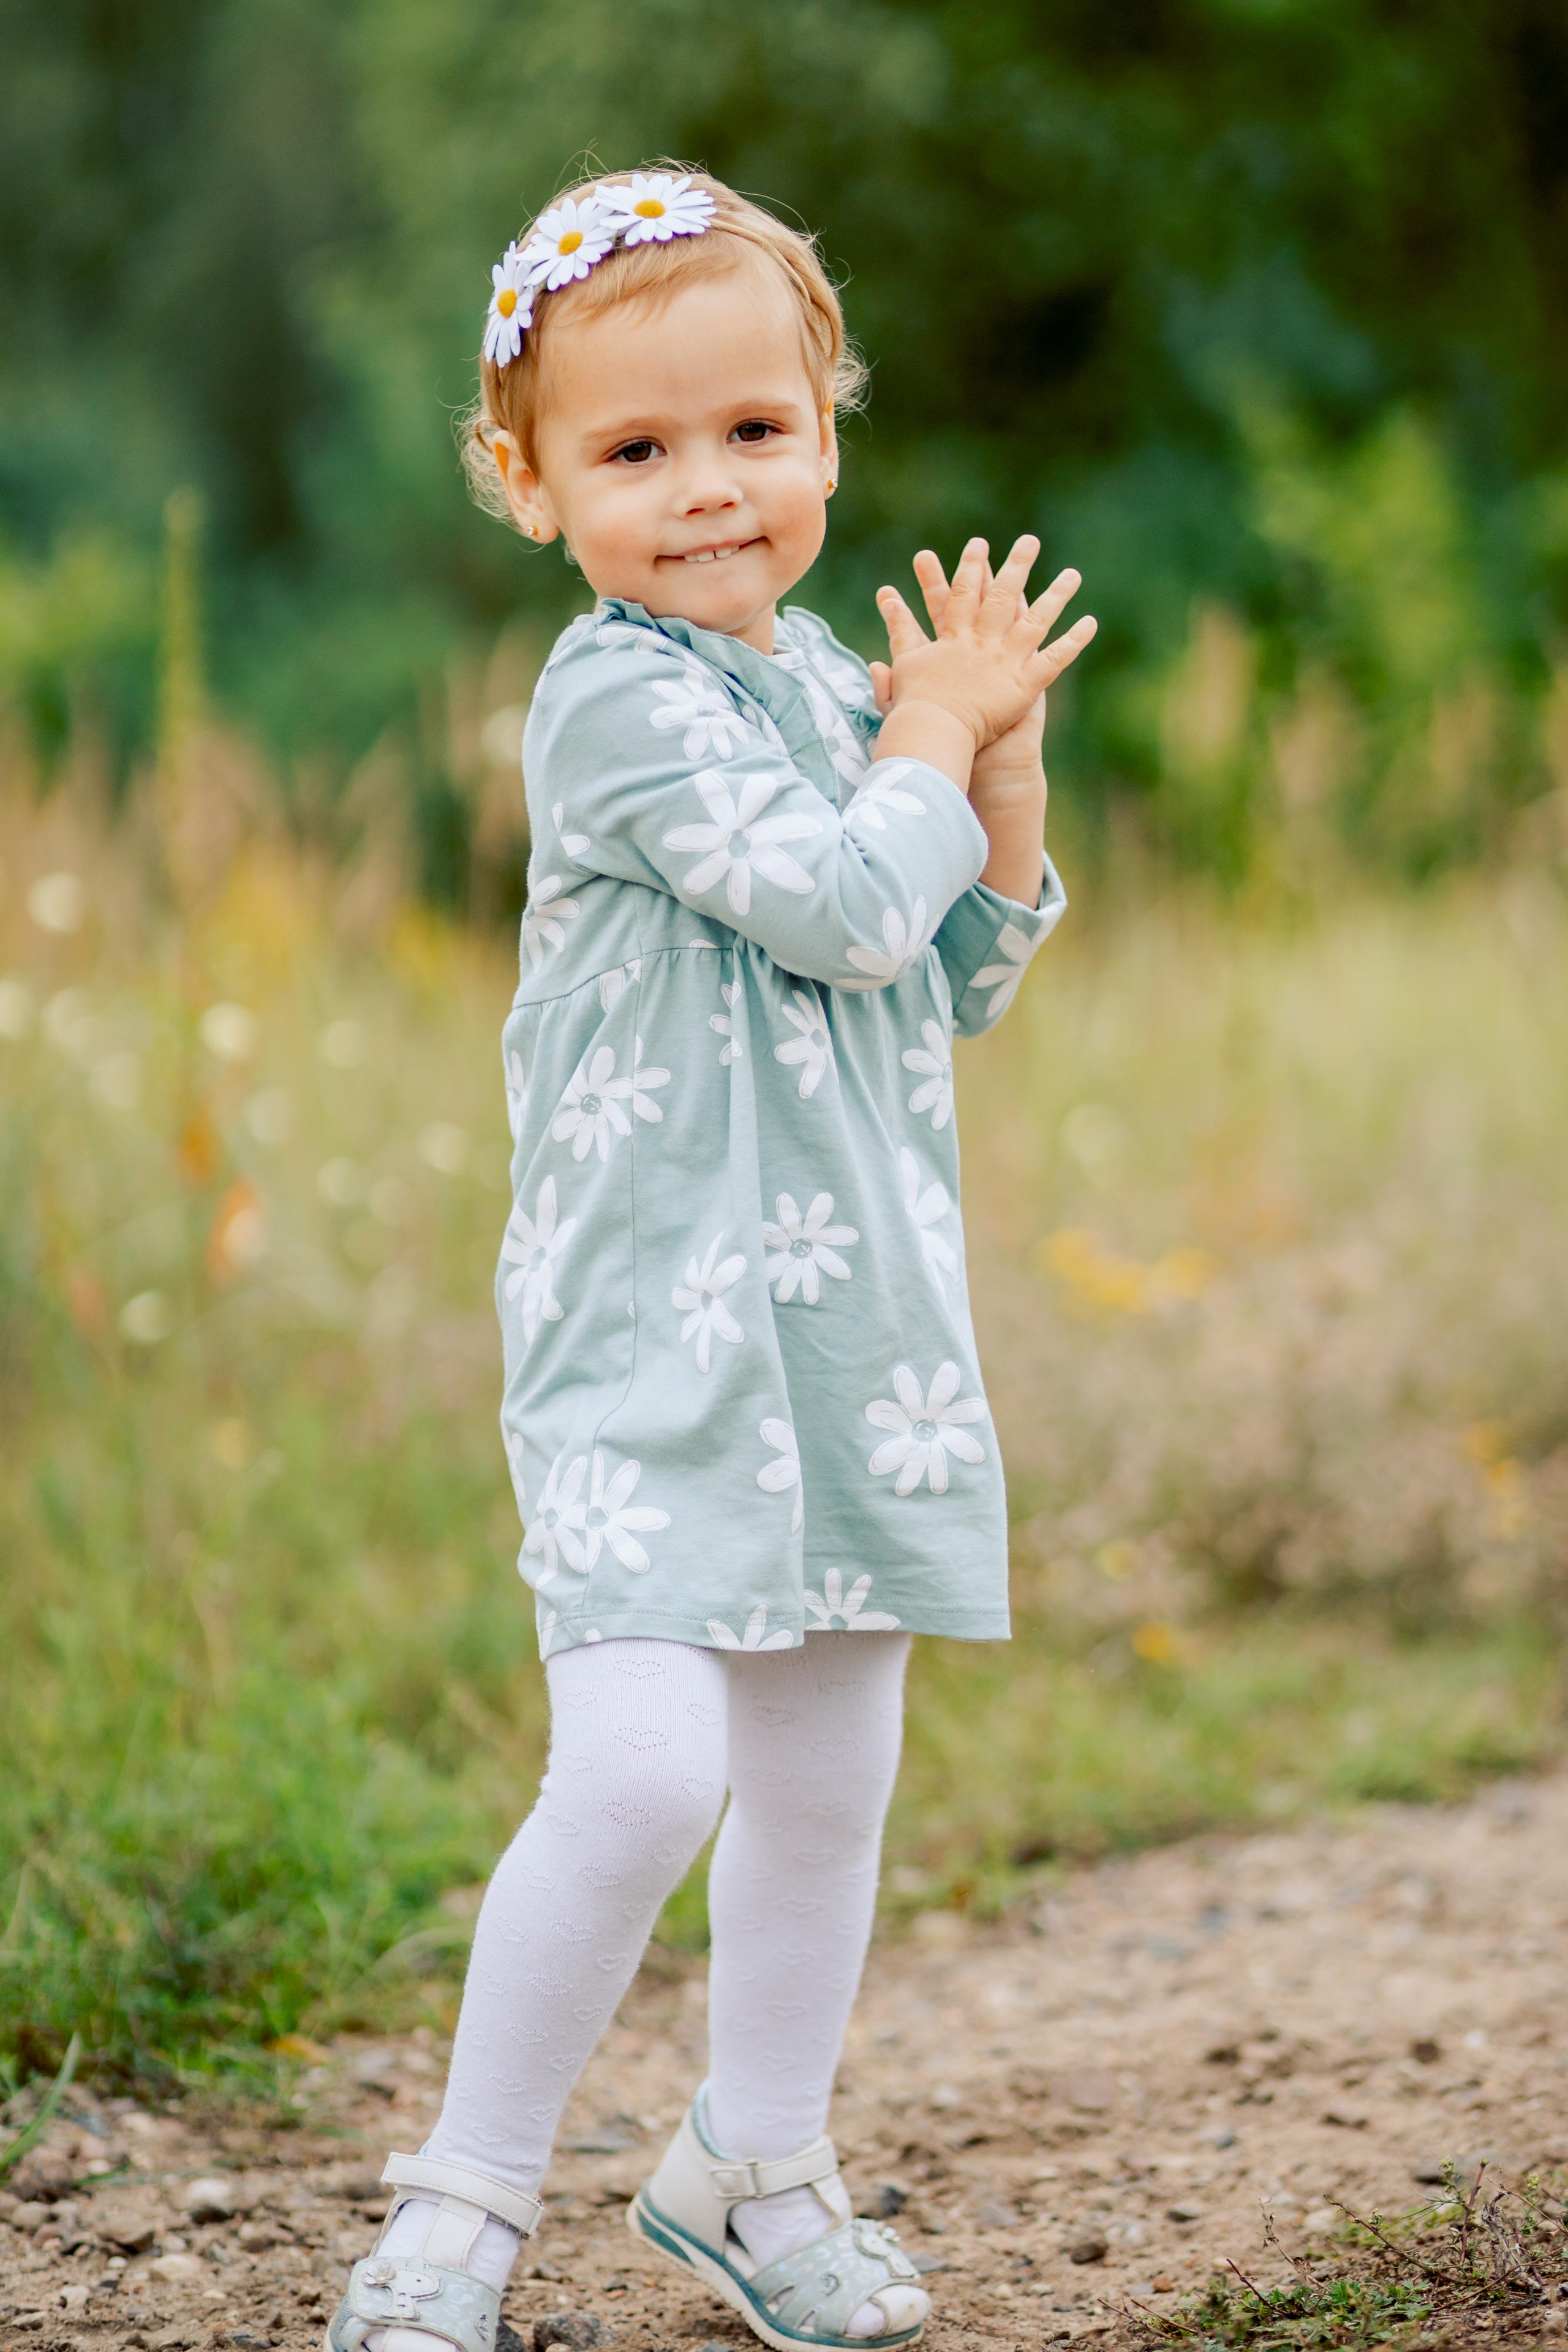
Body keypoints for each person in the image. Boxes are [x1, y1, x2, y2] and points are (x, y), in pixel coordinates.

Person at [325, 165, 1095, 2352]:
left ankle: (758, 2161)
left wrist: (1001, 772)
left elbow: (954, 971)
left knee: (831, 1783)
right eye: (636, 449)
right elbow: (844, 906)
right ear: (531, 483)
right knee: (649, 1768)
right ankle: (462, 2210)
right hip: (649, 1340)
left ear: (829, 432)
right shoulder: (613, 698)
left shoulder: (843, 681)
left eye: (756, 430)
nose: (708, 491)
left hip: (850, 1337)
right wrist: (930, 740)